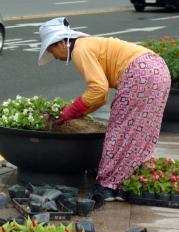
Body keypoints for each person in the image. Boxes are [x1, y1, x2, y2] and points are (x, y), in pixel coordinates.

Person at [38, 17, 171, 202]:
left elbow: (99, 91)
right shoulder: (89, 43)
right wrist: (81, 109)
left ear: (61, 42)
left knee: (119, 130)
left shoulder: (79, 50)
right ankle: (128, 180)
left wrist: (71, 111)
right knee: (140, 133)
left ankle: (107, 188)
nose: (55, 57)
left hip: (140, 74)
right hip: (158, 69)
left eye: (52, 51)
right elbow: (100, 94)